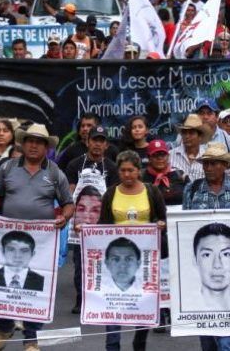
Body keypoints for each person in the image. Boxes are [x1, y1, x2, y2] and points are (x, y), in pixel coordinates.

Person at [0, 123, 73, 351]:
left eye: (38, 142)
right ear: (23, 143)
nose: (33, 145)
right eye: (30, 140)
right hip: (8, 238)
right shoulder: (7, 168)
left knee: (35, 288)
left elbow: (68, 204)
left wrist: (64, 217)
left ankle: (31, 339)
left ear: (46, 147)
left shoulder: (54, 173)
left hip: (40, 242)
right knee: (2, 283)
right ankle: (4, 326)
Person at [181, 142, 230, 351]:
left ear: (224, 165)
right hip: (204, 274)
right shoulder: (192, 189)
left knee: (229, 341)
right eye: (206, 163)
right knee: (208, 338)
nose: (208, 167)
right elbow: (185, 231)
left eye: (213, 163)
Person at [97, 150, 166, 351]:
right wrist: (87, 232)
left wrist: (161, 224)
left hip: (143, 257)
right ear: (118, 171)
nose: (127, 175)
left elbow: (163, 218)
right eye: (123, 170)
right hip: (117, 256)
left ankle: (139, 341)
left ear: (139, 170)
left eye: (131, 170)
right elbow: (102, 224)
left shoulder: (151, 191)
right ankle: (112, 345)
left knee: (143, 301)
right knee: (112, 302)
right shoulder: (110, 193)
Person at [190, 222, 230, 311]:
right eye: (207, 255)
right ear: (195, 261)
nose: (217, 265)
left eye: (226, 254)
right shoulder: (188, 305)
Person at [170, 113, 214, 183]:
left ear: (200, 137)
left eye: (191, 133)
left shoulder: (208, 157)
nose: (187, 136)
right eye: (184, 133)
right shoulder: (170, 155)